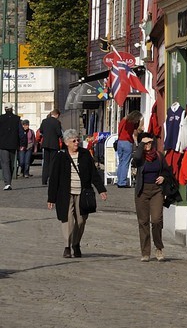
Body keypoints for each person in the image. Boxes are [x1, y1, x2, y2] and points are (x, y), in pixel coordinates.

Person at [46, 128, 105, 258]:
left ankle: (76, 244)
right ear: (66, 142)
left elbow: (93, 174)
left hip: (83, 193)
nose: (76, 142)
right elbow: (54, 178)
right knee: (67, 220)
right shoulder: (60, 156)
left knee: (81, 221)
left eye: (78, 140)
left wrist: (101, 189)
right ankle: (67, 247)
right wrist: (51, 198)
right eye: (74, 141)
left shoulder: (85, 155)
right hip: (65, 194)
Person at [131, 131, 167, 261]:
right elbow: (136, 160)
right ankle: (145, 252)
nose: (148, 145)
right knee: (143, 222)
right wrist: (141, 145)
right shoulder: (139, 157)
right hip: (142, 191)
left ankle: (159, 247)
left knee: (156, 220)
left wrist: (163, 176)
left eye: (150, 142)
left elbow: (166, 170)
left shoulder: (159, 155)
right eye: (145, 143)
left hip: (156, 190)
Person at [114, 107, 142, 187]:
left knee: (121, 162)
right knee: (126, 163)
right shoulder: (132, 123)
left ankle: (119, 180)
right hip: (127, 142)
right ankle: (122, 182)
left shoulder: (123, 120)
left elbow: (119, 130)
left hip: (120, 142)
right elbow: (135, 132)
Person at [39, 109, 63, 187]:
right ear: (57, 115)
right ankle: (52, 178)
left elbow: (41, 130)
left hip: (45, 144)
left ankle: (44, 180)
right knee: (53, 162)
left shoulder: (44, 121)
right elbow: (59, 133)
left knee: (46, 162)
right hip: (54, 144)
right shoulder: (57, 122)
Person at [0, 105, 19, 189]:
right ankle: (9, 181)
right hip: (13, 144)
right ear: (12, 109)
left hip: (2, 144)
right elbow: (21, 132)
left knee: (5, 163)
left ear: (5, 109)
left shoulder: (0, 118)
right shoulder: (17, 119)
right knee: (11, 163)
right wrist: (21, 143)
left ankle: (7, 183)